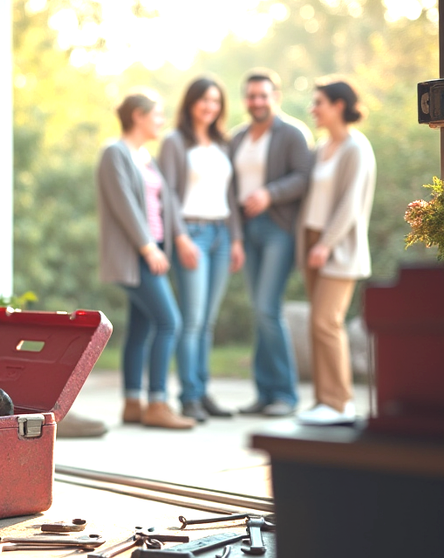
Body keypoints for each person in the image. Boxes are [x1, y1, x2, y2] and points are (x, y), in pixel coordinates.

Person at [97, 89, 199, 429]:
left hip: (151, 248)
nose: (161, 120)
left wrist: (174, 241)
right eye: (157, 114)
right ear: (137, 116)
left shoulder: (144, 156)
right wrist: (148, 247)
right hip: (138, 253)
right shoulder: (115, 153)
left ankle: (132, 403)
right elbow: (124, 204)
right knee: (170, 322)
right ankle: (157, 403)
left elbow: (164, 204)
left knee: (141, 328)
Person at [158, 76, 245, 423]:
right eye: (203, 100)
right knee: (191, 321)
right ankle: (189, 396)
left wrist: (236, 238)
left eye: (215, 101)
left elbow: (231, 196)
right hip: (191, 232)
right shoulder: (175, 142)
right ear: (191, 103)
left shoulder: (223, 144)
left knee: (207, 322)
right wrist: (179, 238)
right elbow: (168, 196)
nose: (210, 107)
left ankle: (203, 393)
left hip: (222, 234)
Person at [228, 69, 314, 417]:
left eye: (263, 95)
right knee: (259, 310)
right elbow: (229, 191)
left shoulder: (293, 133)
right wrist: (235, 236)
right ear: (245, 100)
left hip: (279, 228)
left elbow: (304, 177)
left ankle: (285, 396)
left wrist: (269, 194)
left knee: (267, 307)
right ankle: (264, 395)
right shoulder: (237, 138)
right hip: (247, 231)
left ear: (274, 96)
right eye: (251, 96)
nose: (257, 102)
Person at [295, 78, 376, 425]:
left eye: (319, 103)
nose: (313, 109)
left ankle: (341, 403)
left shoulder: (356, 147)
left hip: (338, 247)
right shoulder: (322, 146)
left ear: (339, 106)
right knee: (318, 324)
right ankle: (323, 400)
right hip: (313, 242)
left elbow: (351, 204)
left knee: (327, 322)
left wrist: (326, 243)